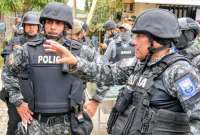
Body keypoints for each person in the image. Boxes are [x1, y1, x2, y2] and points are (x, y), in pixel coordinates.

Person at [44, 9, 200, 135]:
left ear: (156, 40)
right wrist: (76, 63)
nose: (133, 41)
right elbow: (106, 72)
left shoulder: (179, 71)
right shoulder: (138, 64)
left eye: (139, 36)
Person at [2, 2, 92, 135]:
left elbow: (104, 71)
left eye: (58, 23)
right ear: (43, 24)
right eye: (49, 22)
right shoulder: (27, 50)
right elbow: (7, 73)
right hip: (37, 124)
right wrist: (19, 102)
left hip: (70, 124)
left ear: (65, 26)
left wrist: (95, 101)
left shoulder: (81, 51)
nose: (53, 27)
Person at [1, 11, 41, 135]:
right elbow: (7, 56)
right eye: (28, 25)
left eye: (34, 25)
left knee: (35, 124)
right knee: (14, 123)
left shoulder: (43, 42)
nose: (31, 27)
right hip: (17, 89)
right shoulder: (16, 40)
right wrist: (13, 54)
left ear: (38, 27)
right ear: (23, 26)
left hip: (37, 90)